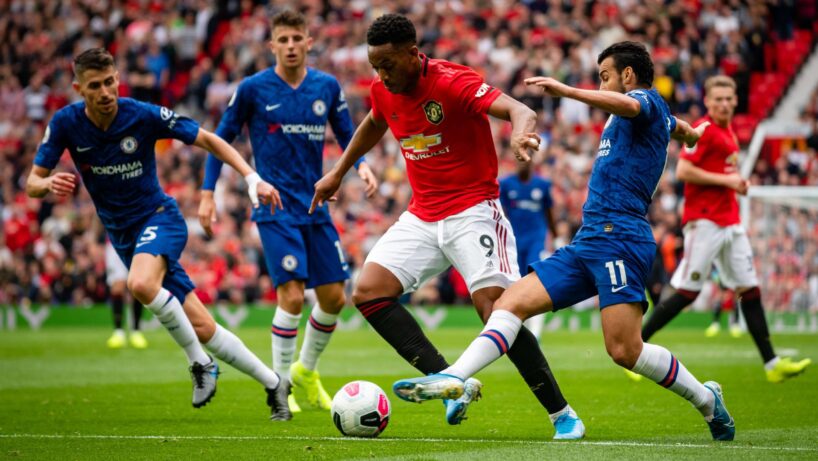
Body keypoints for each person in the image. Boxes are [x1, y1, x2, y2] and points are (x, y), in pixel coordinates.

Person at [393, 41, 737, 441]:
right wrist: (690, 133)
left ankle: (707, 400)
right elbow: (673, 126)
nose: (602, 83)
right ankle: (454, 376)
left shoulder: (644, 99)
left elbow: (634, 107)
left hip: (622, 238)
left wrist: (570, 91)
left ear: (627, 75)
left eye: (605, 76)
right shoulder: (656, 115)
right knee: (510, 303)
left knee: (625, 351)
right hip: (589, 239)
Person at [311, 14, 584, 438]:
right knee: (368, 292)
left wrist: (520, 133)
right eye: (374, 67)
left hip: (474, 210)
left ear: (412, 53)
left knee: (498, 312)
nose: (381, 75)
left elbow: (519, 108)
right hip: (422, 215)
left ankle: (562, 414)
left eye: (387, 64)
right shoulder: (384, 89)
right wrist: (338, 171)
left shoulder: (451, 81)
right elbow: (374, 122)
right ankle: (452, 383)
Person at [27, 48, 291, 420]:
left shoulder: (143, 114)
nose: (105, 92)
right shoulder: (66, 123)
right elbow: (32, 183)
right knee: (202, 325)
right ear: (78, 88)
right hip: (124, 237)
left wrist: (252, 178)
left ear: (118, 79)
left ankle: (201, 365)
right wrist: (47, 182)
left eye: (109, 82)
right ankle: (273, 382)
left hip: (160, 217)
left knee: (139, 284)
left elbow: (209, 139)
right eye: (94, 86)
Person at [199, 10, 378, 417]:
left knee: (334, 298)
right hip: (274, 207)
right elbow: (217, 140)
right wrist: (208, 192)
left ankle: (305, 371)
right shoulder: (253, 89)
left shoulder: (326, 87)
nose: (292, 45)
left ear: (309, 41)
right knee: (293, 295)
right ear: (272, 45)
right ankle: (279, 387)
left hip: (314, 205)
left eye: (299, 37)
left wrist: (362, 165)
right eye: (285, 39)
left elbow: (349, 134)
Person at [639, 75, 811, 383]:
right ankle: (637, 347)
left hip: (730, 221)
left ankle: (772, 364)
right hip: (705, 220)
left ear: (735, 101)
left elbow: (721, 171)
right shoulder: (704, 130)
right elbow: (684, 170)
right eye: (717, 98)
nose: (724, 103)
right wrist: (728, 181)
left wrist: (736, 184)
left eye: (729, 98)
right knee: (687, 292)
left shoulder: (728, 131)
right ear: (707, 101)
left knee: (750, 288)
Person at [499, 161, 556, 340]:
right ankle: (516, 329)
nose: (523, 164)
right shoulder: (506, 184)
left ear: (532, 163)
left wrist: (554, 236)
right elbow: (502, 212)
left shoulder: (542, 185)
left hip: (535, 241)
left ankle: (535, 333)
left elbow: (549, 212)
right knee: (515, 284)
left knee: (535, 282)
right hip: (514, 241)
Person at [105, 240, 147, 349]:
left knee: (137, 286)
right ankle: (118, 332)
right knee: (117, 287)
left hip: (138, 242)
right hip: (116, 241)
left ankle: (136, 332)